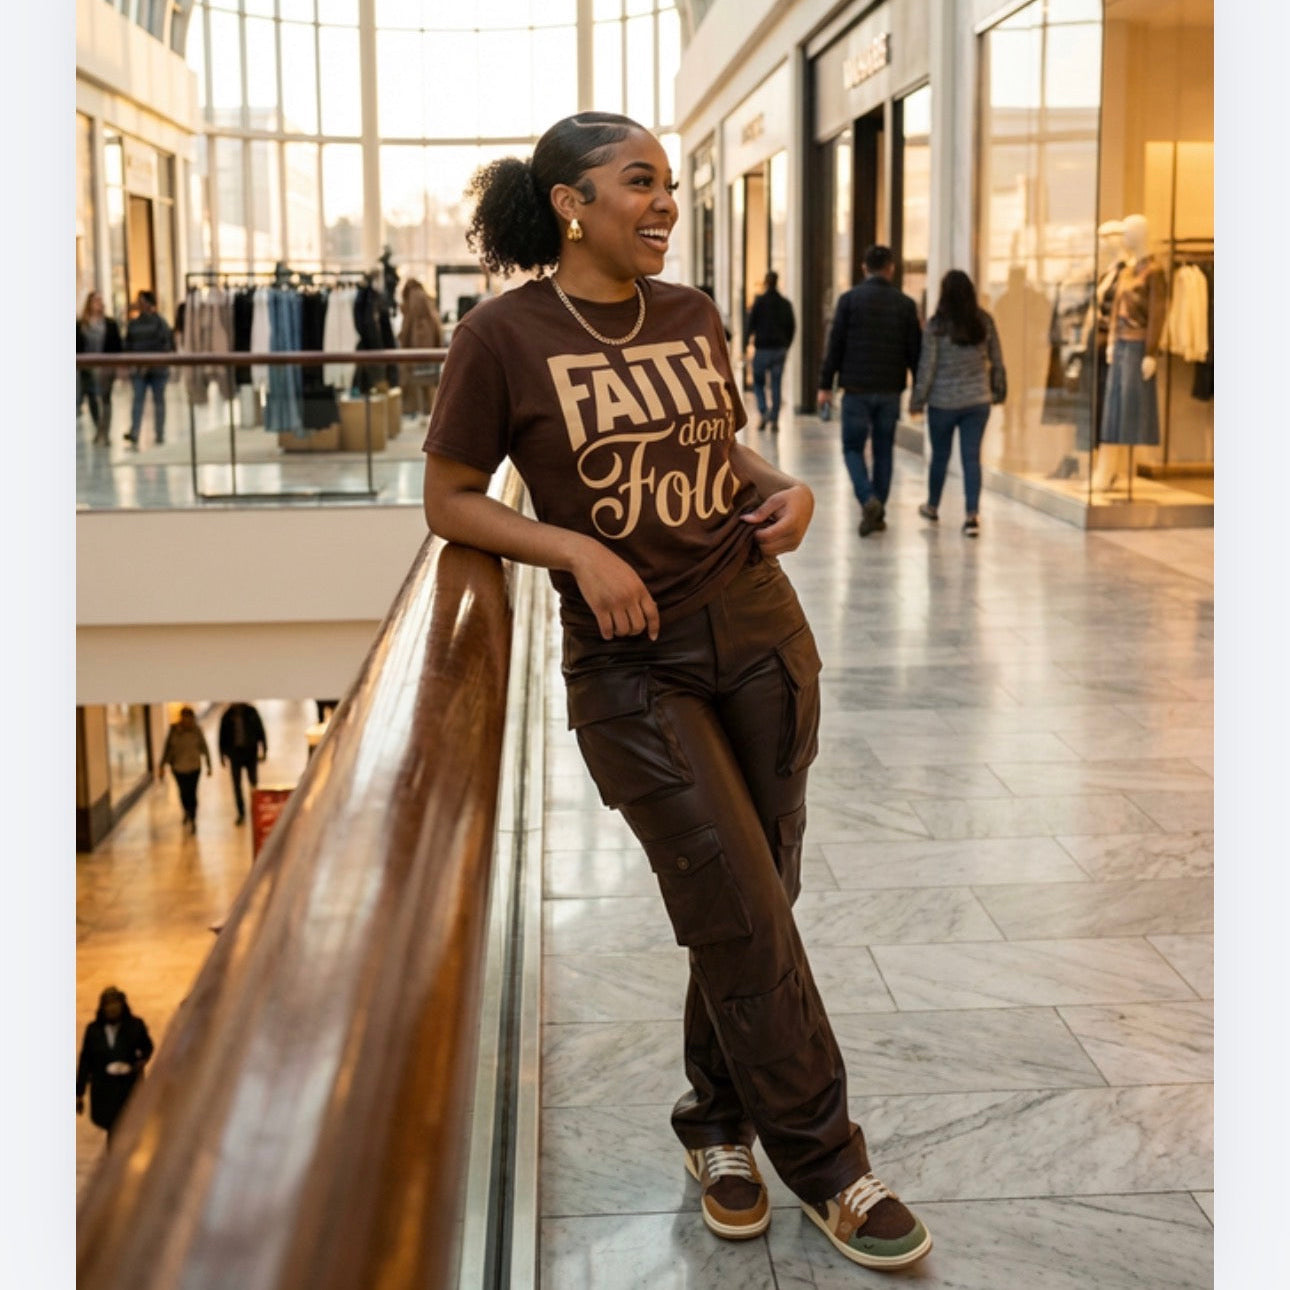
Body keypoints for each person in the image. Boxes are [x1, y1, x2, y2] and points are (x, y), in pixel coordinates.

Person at [421, 111, 931, 1272]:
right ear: (571, 202)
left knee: (761, 895)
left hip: (757, 629)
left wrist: (786, 488)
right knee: (739, 906)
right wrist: (574, 550)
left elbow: (718, 454)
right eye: (639, 183)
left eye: (668, 186)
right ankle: (832, 1163)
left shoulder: (693, 314)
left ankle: (715, 1122)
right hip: (631, 663)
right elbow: (451, 500)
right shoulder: (501, 336)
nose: (664, 203)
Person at [817, 245, 922, 536]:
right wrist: (917, 394)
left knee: (852, 448)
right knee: (884, 450)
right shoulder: (905, 304)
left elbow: (834, 346)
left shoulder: (849, 300)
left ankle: (868, 499)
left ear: (864, 268)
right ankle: (877, 509)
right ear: (891, 268)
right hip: (890, 389)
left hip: (856, 388)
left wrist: (825, 385)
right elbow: (916, 353)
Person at [909, 269, 1007, 538]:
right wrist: (998, 390)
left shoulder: (936, 325)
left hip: (943, 402)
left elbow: (927, 367)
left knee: (939, 457)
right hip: (977, 401)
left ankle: (932, 506)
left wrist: (918, 399)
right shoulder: (983, 321)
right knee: (971, 458)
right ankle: (971, 516)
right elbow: (997, 359)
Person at [76, 986, 154, 1143]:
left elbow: (148, 1046)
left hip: (128, 1086)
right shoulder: (93, 1030)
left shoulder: (135, 1026)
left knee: (127, 1128)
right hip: (104, 1090)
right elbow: (85, 1060)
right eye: (108, 1004)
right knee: (113, 1129)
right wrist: (79, 1092)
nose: (112, 1008)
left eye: (115, 1004)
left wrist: (142, 1061)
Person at [744, 271, 796, 432]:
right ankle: (774, 419)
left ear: (766, 283)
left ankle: (763, 412)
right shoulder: (785, 303)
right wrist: (786, 345)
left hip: (763, 348)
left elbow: (750, 324)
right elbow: (792, 326)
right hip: (779, 349)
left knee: (758, 383)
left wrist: (745, 343)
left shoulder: (759, 302)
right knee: (776, 384)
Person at [123, 289, 174, 449]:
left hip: (157, 370)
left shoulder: (160, 322)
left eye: (143, 301)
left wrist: (150, 362)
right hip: (139, 370)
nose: (140, 304)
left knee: (159, 401)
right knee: (138, 400)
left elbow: (166, 345)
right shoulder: (134, 324)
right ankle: (135, 431)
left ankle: (159, 433)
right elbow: (128, 345)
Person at [76, 290, 122, 444]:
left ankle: (105, 433)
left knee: (105, 399)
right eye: (96, 300)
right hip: (86, 368)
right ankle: (99, 429)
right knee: (92, 400)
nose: (99, 303)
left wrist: (119, 365)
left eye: (101, 300)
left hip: (105, 368)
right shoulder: (81, 324)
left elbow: (117, 346)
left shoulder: (110, 323)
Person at [159, 706, 213, 833]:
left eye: (190, 718)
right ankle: (186, 811)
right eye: (185, 717)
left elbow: (204, 747)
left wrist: (209, 765)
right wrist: (162, 766)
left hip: (194, 767)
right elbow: (167, 749)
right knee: (183, 792)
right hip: (178, 768)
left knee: (192, 793)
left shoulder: (197, 730)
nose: (188, 720)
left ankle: (192, 817)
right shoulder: (174, 730)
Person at [398, 277, 444, 419]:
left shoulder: (412, 298)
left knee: (416, 380)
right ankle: (429, 412)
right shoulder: (426, 297)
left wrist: (403, 340)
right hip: (429, 343)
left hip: (415, 344)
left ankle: (418, 411)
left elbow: (408, 323)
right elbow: (436, 323)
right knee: (428, 380)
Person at [218, 701, 268, 826]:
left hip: (250, 753)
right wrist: (222, 756)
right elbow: (222, 737)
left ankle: (255, 810)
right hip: (235, 755)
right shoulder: (227, 715)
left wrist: (264, 749)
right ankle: (241, 813)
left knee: (254, 784)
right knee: (237, 786)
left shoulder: (251, 712)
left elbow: (261, 731)